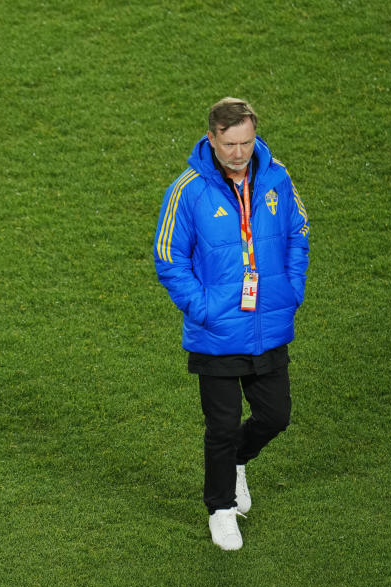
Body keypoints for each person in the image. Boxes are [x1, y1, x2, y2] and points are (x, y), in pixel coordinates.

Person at [153, 98, 310, 551]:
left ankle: (238, 461)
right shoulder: (188, 190)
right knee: (221, 426)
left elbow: (299, 231)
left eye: (246, 142)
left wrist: (291, 288)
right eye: (230, 145)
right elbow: (169, 255)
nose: (239, 153)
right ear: (212, 140)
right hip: (217, 332)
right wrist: (201, 307)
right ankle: (220, 509)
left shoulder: (278, 177)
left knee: (276, 416)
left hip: (268, 324)